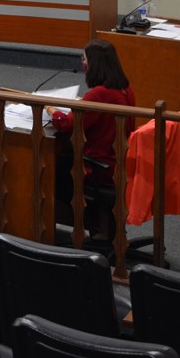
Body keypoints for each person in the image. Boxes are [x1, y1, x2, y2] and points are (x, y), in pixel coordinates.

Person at [45, 38, 135, 234]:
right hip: (119, 162)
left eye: (84, 59)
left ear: (95, 64)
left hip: (101, 168)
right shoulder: (125, 88)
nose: (83, 63)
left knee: (49, 169)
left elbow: (67, 124)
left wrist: (50, 108)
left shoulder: (100, 94)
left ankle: (87, 223)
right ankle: (102, 225)